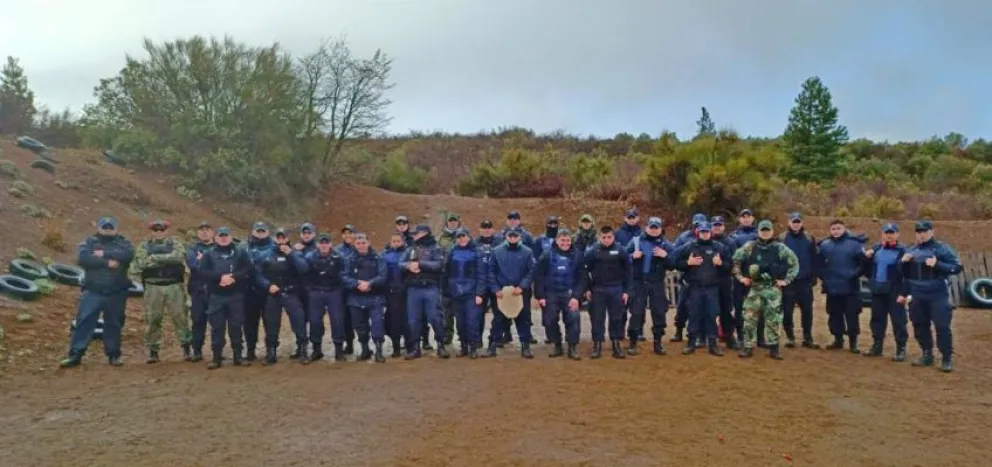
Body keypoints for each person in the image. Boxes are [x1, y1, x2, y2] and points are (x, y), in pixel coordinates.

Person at [59, 216, 135, 368]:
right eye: (104, 226)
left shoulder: (124, 243)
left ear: (116, 228)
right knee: (84, 322)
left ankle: (114, 355)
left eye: (110, 226)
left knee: (114, 324)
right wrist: (108, 261)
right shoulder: (89, 242)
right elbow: (84, 258)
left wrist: (102, 254)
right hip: (93, 291)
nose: (107, 229)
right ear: (98, 227)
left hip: (116, 292)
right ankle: (75, 355)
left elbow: (128, 255)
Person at [732, 220, 799, 359]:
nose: (765, 233)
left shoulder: (780, 247)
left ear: (772, 231)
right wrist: (741, 278)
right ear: (758, 232)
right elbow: (736, 261)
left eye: (768, 230)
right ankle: (748, 347)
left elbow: (794, 263)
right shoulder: (750, 246)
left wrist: (786, 280)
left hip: (772, 289)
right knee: (749, 319)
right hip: (754, 289)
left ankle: (774, 349)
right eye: (763, 230)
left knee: (773, 320)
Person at [900, 220, 961, 372]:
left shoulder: (942, 249)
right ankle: (927, 354)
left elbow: (957, 267)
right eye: (919, 232)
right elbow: (905, 275)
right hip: (917, 294)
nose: (921, 235)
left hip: (937, 294)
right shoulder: (911, 250)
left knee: (942, 326)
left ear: (932, 232)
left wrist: (938, 264)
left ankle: (946, 358)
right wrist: (903, 263)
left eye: (925, 231)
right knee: (919, 325)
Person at [128, 219, 191, 363]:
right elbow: (141, 263)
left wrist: (155, 258)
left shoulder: (175, 243)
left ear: (167, 231)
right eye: (155, 230)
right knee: (153, 319)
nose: (159, 233)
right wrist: (165, 259)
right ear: (151, 232)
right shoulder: (144, 246)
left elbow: (178, 257)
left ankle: (187, 348)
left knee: (180, 317)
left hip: (174, 285)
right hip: (153, 286)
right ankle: (153, 351)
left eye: (162, 230)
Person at [197, 226, 254, 369]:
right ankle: (216, 358)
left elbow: (249, 268)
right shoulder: (208, 254)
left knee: (236, 327)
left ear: (230, 236)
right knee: (217, 328)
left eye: (226, 235)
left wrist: (234, 277)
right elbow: (202, 272)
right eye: (220, 236)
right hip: (216, 297)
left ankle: (238, 357)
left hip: (236, 296)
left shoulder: (240, 252)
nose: (223, 238)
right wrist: (220, 277)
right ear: (215, 238)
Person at [674, 221, 732, 356]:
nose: (705, 234)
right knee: (694, 315)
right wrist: (687, 263)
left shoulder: (720, 247)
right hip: (694, 287)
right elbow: (675, 262)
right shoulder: (689, 247)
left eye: (707, 232)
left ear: (710, 232)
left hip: (712, 288)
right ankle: (691, 343)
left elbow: (729, 266)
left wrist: (721, 263)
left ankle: (712, 344)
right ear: (697, 232)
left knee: (712, 315)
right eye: (702, 232)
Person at [255, 228, 309, 364]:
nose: (281, 240)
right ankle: (271, 352)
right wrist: (268, 285)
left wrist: (291, 254)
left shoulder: (295, 253)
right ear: (274, 238)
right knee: (271, 323)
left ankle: (302, 350)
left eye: (283, 237)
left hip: (291, 292)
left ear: (288, 238)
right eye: (278, 238)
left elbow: (304, 269)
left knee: (299, 321)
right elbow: (258, 274)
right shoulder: (265, 255)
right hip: (274, 293)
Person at [817, 219, 868, 353]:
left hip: (850, 287)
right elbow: (819, 264)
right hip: (832, 287)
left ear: (844, 229)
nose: (836, 231)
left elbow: (863, 264)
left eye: (838, 228)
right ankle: (838, 340)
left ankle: (853, 343)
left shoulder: (855, 245)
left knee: (852, 315)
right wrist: (824, 276)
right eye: (833, 229)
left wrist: (854, 274)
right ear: (830, 230)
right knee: (834, 314)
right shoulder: (824, 245)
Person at [627, 217, 675, 355]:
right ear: (646, 227)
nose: (654, 230)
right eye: (651, 227)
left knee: (659, 312)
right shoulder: (636, 241)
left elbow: (674, 264)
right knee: (636, 312)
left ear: (660, 229)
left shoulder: (666, 244)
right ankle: (633, 342)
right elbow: (623, 258)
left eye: (656, 227)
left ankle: (658, 343)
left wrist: (665, 256)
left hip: (657, 282)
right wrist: (632, 256)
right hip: (639, 282)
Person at [534, 229, 585, 360]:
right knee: (549, 321)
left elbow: (582, 279)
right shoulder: (546, 255)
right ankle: (557, 344)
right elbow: (539, 276)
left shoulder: (578, 255)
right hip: (551, 294)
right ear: (557, 240)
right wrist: (540, 296)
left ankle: (572, 347)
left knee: (573, 320)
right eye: (562, 240)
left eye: (568, 240)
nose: (565, 243)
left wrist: (576, 297)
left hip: (569, 294)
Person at [583, 226, 633, 359]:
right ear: (599, 237)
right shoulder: (592, 251)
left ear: (613, 237)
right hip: (598, 289)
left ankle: (616, 345)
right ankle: (597, 344)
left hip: (616, 288)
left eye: (609, 237)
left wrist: (627, 290)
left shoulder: (621, 250)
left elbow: (629, 271)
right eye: (603, 237)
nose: (606, 240)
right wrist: (587, 288)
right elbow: (585, 272)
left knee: (616, 318)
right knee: (597, 318)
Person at [486, 229, 537, 358]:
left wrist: (522, 286)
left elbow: (531, 272)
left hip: (520, 293)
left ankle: (525, 347)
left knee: (523, 319)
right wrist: (496, 289)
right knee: (498, 319)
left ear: (520, 237)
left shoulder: (527, 252)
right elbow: (490, 271)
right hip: (501, 293)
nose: (513, 238)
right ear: (506, 237)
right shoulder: (496, 251)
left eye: (515, 236)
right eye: (510, 236)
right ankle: (492, 345)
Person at [862, 223, 909, 360]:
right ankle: (877, 346)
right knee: (877, 319)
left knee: (898, 321)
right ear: (882, 234)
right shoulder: (876, 249)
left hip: (895, 290)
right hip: (878, 289)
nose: (889, 235)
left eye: (892, 232)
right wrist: (867, 258)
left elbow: (907, 274)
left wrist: (904, 293)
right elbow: (867, 270)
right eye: (886, 232)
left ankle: (901, 349)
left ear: (897, 234)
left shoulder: (903, 251)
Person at [401, 225, 447, 359]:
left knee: (435, 317)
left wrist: (420, 264)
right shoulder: (411, 249)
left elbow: (439, 265)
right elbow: (400, 263)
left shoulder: (436, 248)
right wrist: (409, 266)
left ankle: (441, 344)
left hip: (430, 287)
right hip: (413, 288)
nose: (414, 235)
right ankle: (416, 347)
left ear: (425, 233)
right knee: (413, 320)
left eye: (416, 233)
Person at [343, 233, 388, 362]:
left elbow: (383, 276)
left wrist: (370, 283)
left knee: (377, 325)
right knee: (360, 326)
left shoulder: (378, 258)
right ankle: (365, 349)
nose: (361, 246)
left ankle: (379, 351)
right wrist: (357, 284)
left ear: (368, 243)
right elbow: (344, 276)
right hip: (355, 297)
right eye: (358, 243)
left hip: (375, 296)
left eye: (363, 243)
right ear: (354, 244)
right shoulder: (348, 259)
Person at [304, 233, 348, 362]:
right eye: (321, 243)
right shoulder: (310, 257)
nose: (324, 245)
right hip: (316, 291)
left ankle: (339, 351)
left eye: (326, 242)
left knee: (337, 320)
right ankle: (316, 350)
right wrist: (309, 290)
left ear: (330, 244)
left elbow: (344, 274)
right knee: (315, 321)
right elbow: (304, 274)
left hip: (334, 291)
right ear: (317, 244)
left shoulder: (339, 257)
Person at [779, 212, 820, 349]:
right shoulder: (782, 238)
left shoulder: (809, 238)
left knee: (807, 311)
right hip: (788, 281)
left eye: (798, 221)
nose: (795, 224)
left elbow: (815, 258)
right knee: (787, 311)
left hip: (804, 281)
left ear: (801, 223)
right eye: (793, 221)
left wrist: (814, 276)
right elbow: (778, 260)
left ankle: (808, 337)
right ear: (789, 223)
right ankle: (790, 337)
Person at [444, 228, 487, 358]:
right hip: (456, 293)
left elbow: (482, 274)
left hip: (472, 293)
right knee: (460, 323)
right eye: (459, 237)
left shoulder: (477, 252)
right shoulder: (452, 252)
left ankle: (473, 347)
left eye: (463, 236)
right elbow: (447, 273)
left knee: (472, 321)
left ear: (468, 237)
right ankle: (464, 346)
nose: (461, 239)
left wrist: (480, 293)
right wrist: (447, 292)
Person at [671, 213, 707, 343]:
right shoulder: (684, 237)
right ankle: (678, 331)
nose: (699, 227)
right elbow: (675, 253)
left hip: (703, 278)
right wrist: (688, 261)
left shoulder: (708, 237)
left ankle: (699, 335)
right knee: (682, 307)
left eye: (701, 225)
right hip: (686, 277)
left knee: (700, 308)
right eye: (696, 224)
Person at [243, 222, 274, 362]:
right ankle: (250, 350)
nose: (260, 233)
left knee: (270, 322)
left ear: (268, 232)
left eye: (263, 231)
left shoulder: (274, 247)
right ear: (253, 232)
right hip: (249, 291)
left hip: (268, 291)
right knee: (249, 322)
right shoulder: (243, 247)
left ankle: (271, 350)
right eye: (258, 231)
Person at [185, 221, 215, 362]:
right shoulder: (192, 248)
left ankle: (217, 351)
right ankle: (197, 351)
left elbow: (222, 266)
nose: (205, 232)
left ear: (212, 232)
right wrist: (210, 262)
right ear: (198, 233)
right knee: (198, 321)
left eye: (208, 229)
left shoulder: (219, 246)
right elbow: (193, 265)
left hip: (215, 290)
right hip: (198, 290)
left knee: (217, 322)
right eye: (202, 229)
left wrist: (203, 260)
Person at [729, 209, 759, 345]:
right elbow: (732, 258)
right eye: (743, 217)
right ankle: (741, 336)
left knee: (758, 308)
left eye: (748, 216)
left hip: (757, 278)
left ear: (753, 218)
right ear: (739, 219)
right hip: (738, 278)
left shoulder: (760, 234)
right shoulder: (733, 236)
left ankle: (760, 338)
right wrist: (739, 276)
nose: (746, 219)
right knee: (739, 308)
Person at [710, 216, 739, 349]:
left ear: (723, 226)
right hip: (709, 281)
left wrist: (722, 264)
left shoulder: (730, 242)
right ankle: (707, 337)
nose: (717, 227)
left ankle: (729, 336)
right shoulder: (706, 240)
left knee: (726, 310)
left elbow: (734, 263)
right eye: (714, 225)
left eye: (719, 225)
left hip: (725, 280)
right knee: (709, 310)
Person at [533, 216, 561, 343]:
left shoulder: (563, 239)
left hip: (560, 276)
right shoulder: (540, 240)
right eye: (550, 223)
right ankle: (550, 335)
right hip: (545, 278)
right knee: (547, 310)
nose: (553, 225)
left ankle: (558, 335)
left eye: (555, 223)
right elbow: (535, 258)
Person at [382, 232, 409, 357]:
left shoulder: (409, 253)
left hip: (406, 292)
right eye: (394, 241)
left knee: (408, 319)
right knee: (393, 321)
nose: (396, 243)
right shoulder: (384, 255)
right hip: (391, 292)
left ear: (403, 241)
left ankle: (411, 345)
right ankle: (396, 347)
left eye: (398, 240)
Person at [474, 219, 501, 342]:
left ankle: (495, 338)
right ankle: (477, 338)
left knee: (499, 313)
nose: (486, 230)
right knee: (478, 314)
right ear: (479, 229)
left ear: (493, 229)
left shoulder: (500, 242)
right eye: (484, 227)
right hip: (480, 283)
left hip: (496, 283)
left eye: (489, 227)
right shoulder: (473, 244)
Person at [335, 225, 360, 354]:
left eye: (350, 233)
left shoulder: (360, 246)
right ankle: (349, 344)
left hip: (359, 287)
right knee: (345, 318)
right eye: (345, 233)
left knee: (360, 318)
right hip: (343, 289)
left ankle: (365, 345)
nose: (347, 236)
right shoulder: (337, 250)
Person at [437, 213, 462, 346]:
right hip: (445, 278)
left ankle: (462, 334)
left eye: (455, 220)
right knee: (446, 309)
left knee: (461, 308)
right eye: (450, 221)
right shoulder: (440, 238)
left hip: (460, 277)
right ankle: (448, 334)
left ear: (459, 222)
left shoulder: (464, 236)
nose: (453, 223)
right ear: (446, 223)